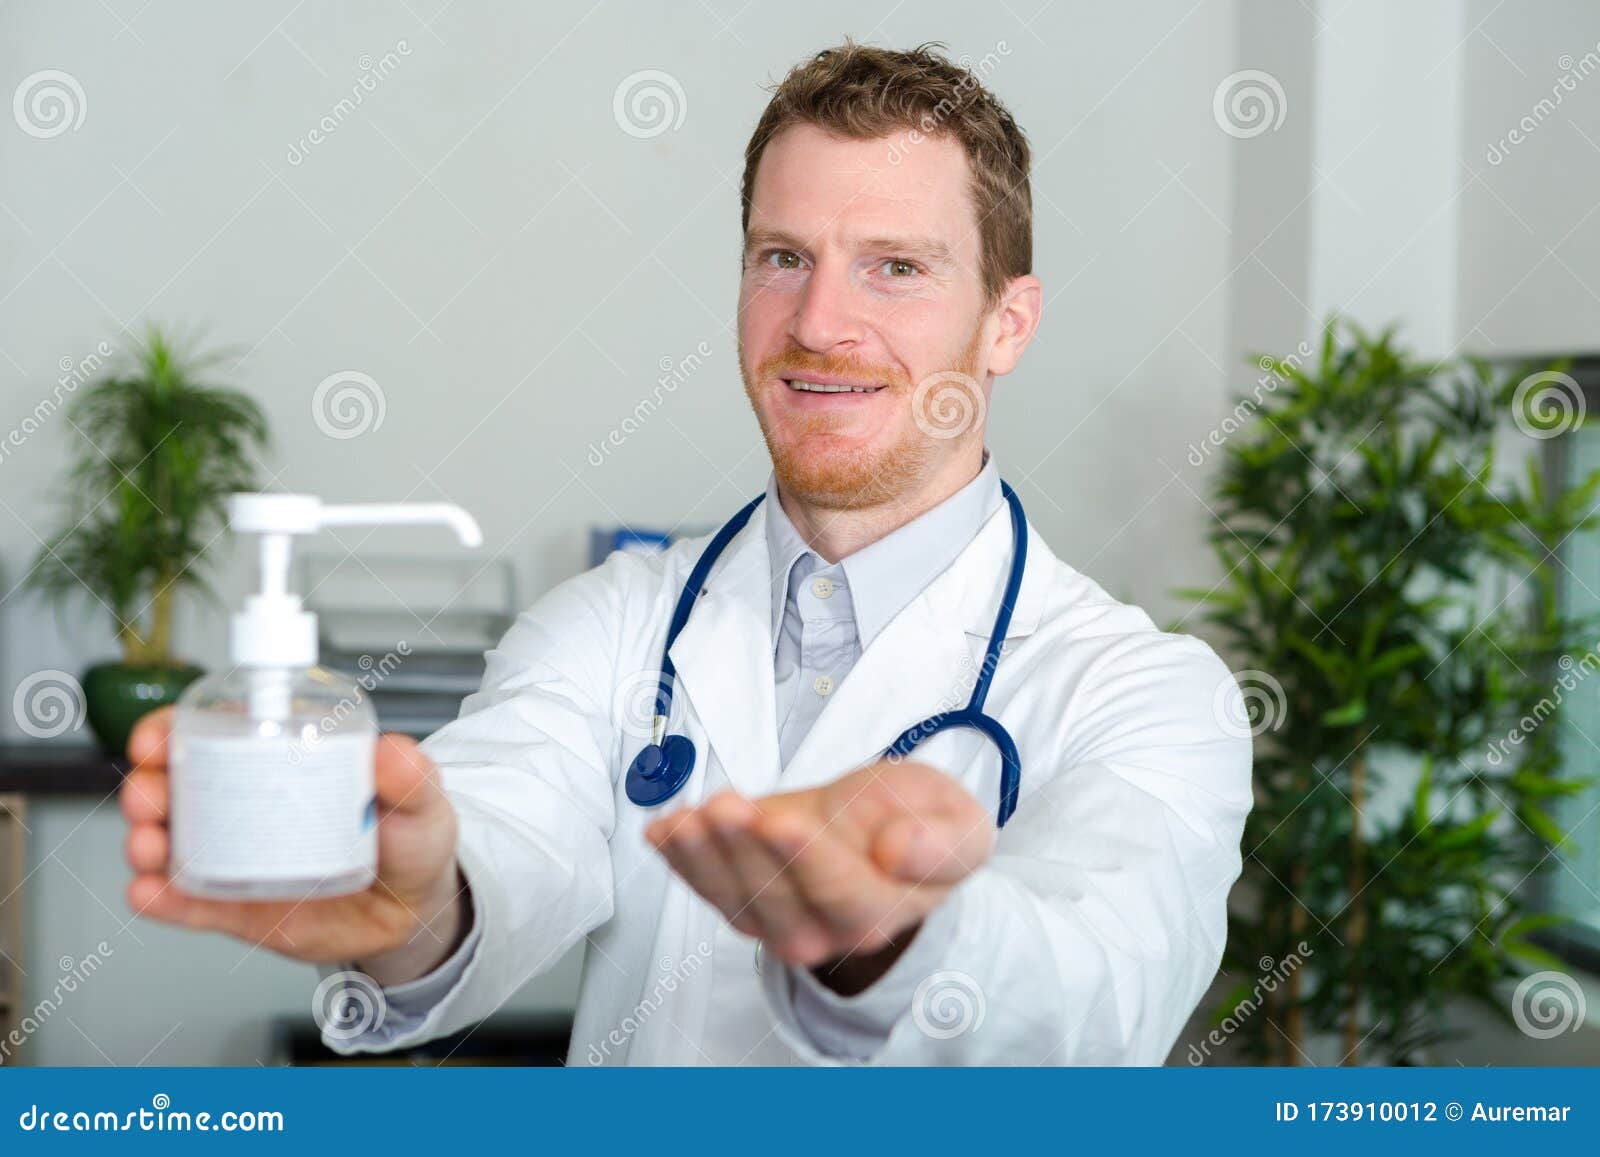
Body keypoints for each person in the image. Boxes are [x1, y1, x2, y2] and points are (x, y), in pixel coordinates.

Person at [119, 41, 1251, 1065]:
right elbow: (501, 837)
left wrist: (893, 935)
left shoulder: (1144, 694)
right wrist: (415, 898)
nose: (817, 322)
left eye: (894, 267)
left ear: (1008, 321)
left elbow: (1102, 989)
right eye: (781, 256)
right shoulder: (612, 622)